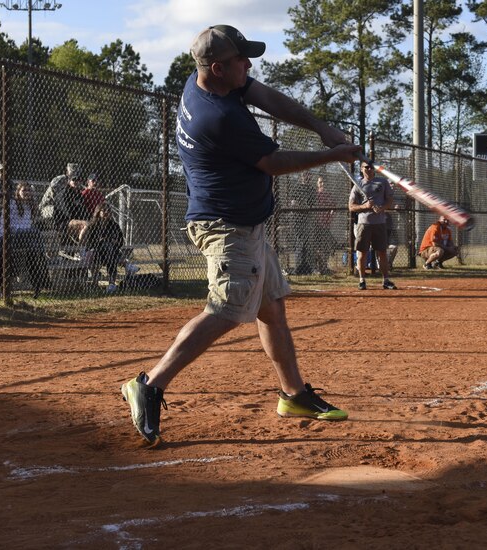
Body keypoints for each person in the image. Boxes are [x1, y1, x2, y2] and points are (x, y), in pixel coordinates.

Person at [120, 24, 361, 447]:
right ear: (218, 67)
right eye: (241, 60)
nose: (248, 66)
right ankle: (150, 384)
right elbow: (272, 161)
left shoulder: (203, 85)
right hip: (226, 227)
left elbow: (266, 96)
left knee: (271, 310)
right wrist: (331, 154)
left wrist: (320, 127)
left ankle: (293, 395)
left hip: (242, 222)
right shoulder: (221, 118)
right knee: (229, 309)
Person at [348, 161, 396, 290]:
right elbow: (351, 207)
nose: (368, 169)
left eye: (371, 167)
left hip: (380, 223)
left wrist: (382, 208)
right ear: (362, 169)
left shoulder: (382, 182)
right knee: (362, 253)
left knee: (382, 252)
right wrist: (365, 206)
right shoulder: (358, 185)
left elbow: (390, 200)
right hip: (364, 224)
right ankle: (362, 280)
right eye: (366, 167)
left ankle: (386, 280)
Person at [9, 182, 50, 299]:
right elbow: (9, 226)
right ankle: (43, 253)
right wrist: (26, 230)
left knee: (33, 252)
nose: (26, 193)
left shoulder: (29, 206)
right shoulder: (12, 204)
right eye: (24, 190)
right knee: (35, 232)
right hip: (13, 235)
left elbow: (28, 226)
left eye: (28, 190)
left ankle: (37, 285)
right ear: (18, 192)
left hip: (25, 237)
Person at [79, 203, 129, 293]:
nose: (106, 212)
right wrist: (103, 241)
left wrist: (114, 242)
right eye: (104, 210)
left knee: (109, 249)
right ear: (98, 212)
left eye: (108, 210)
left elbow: (121, 241)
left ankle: (112, 283)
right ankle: (113, 282)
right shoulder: (93, 225)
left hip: (109, 253)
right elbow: (90, 242)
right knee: (108, 248)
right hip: (96, 252)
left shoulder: (114, 225)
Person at [54, 172, 89, 245]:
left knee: (90, 224)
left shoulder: (78, 194)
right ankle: (80, 247)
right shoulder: (64, 193)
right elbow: (67, 213)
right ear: (69, 181)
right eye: (74, 180)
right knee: (86, 224)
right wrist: (81, 220)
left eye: (78, 180)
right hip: (63, 222)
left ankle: (81, 247)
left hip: (76, 220)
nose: (76, 182)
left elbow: (84, 210)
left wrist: (84, 219)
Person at [312, 176, 335, 274]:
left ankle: (324, 267)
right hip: (316, 226)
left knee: (326, 247)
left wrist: (330, 218)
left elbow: (333, 208)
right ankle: (317, 267)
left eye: (323, 182)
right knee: (317, 247)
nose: (322, 184)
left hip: (326, 225)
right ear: (317, 184)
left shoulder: (328, 195)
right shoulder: (315, 195)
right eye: (320, 182)